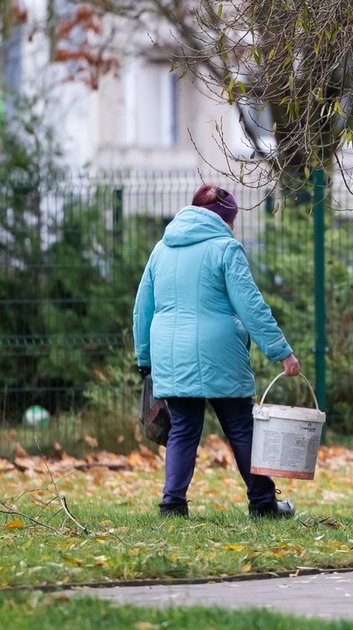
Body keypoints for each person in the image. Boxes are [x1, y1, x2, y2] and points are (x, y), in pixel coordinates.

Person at [133, 184, 301, 518]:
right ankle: (264, 504)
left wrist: (145, 358)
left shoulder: (161, 249)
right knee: (240, 428)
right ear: (225, 218)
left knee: (182, 428)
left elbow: (143, 309)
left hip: (171, 353)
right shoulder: (226, 248)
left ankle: (173, 505)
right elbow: (251, 305)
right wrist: (281, 351)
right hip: (219, 353)